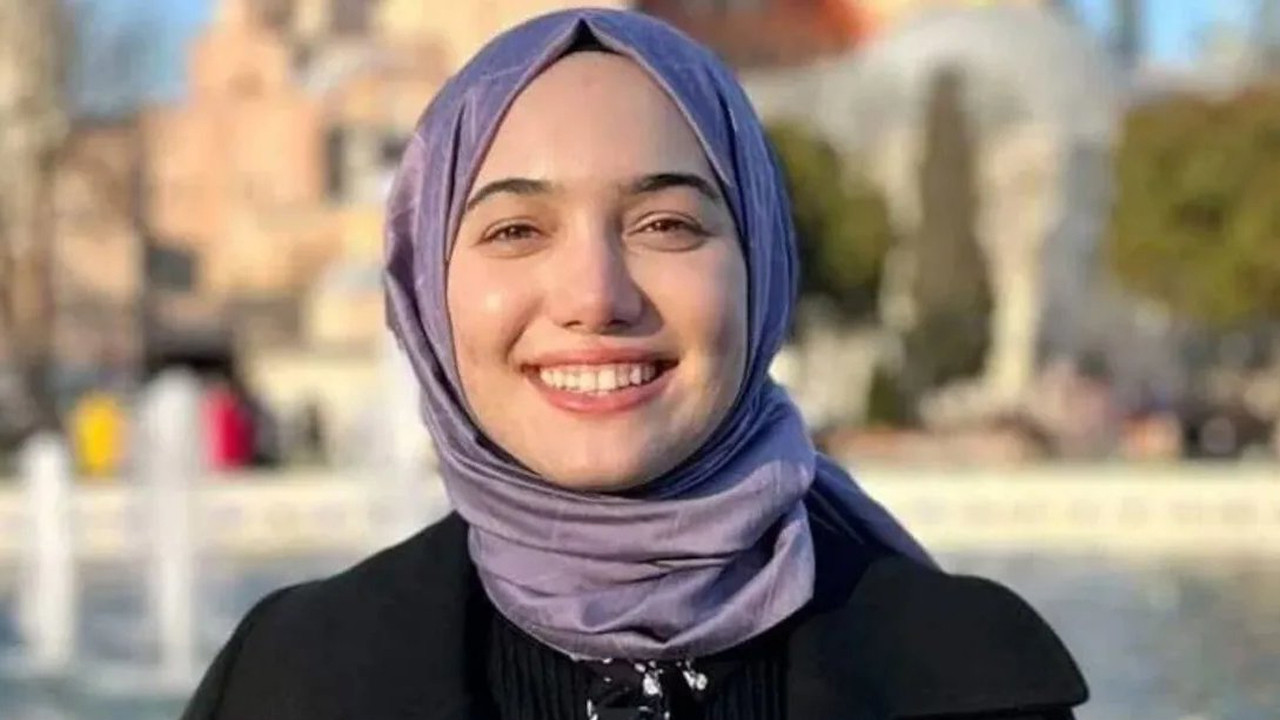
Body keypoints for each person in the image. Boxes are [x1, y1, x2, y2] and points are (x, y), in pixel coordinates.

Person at [181, 9, 1087, 720]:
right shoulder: (293, 681)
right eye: (516, 230)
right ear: (425, 289)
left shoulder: (966, 674)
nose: (596, 296)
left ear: (761, 265)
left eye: (666, 225)